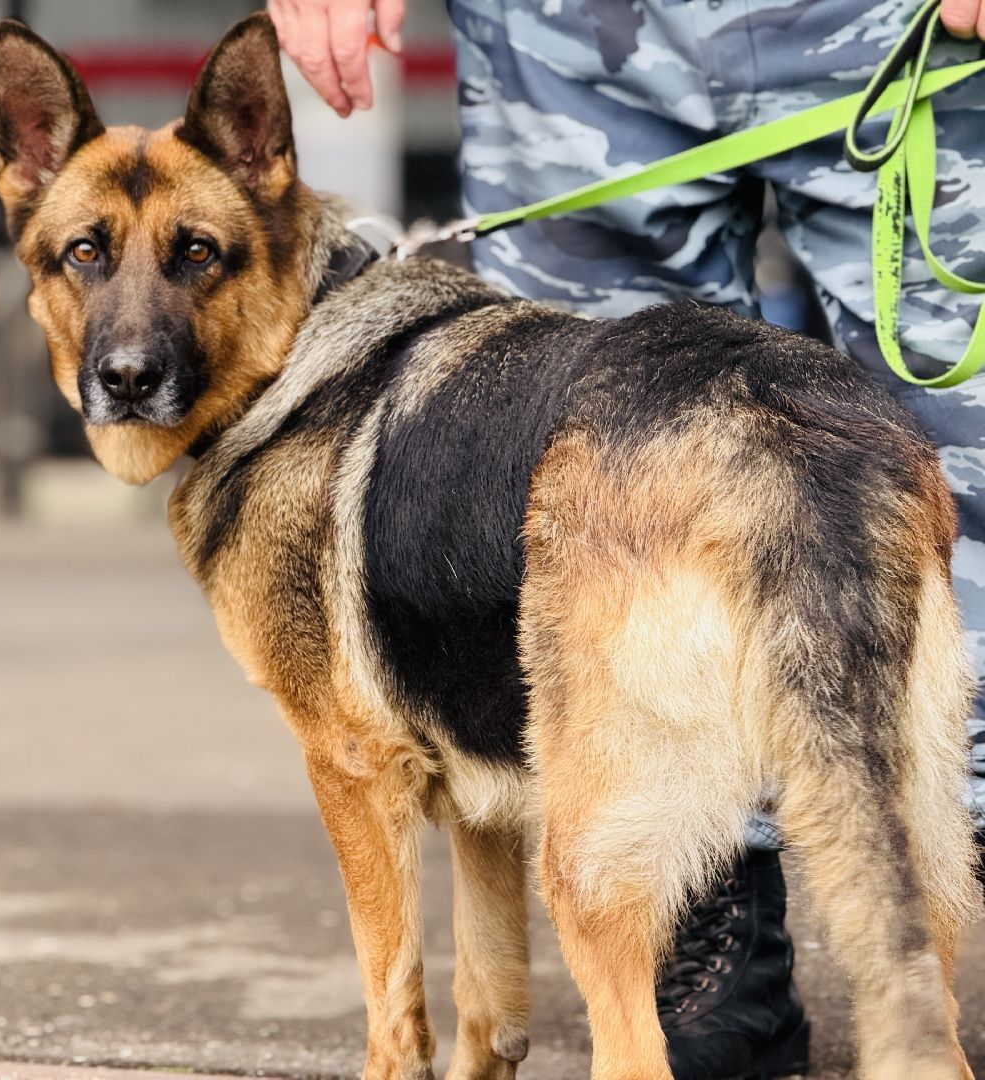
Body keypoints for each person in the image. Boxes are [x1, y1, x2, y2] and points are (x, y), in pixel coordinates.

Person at [269, 0, 985, 1075]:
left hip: (891, 26)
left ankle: (944, 897)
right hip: (567, 38)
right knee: (617, 465)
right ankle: (706, 917)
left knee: (960, 467)